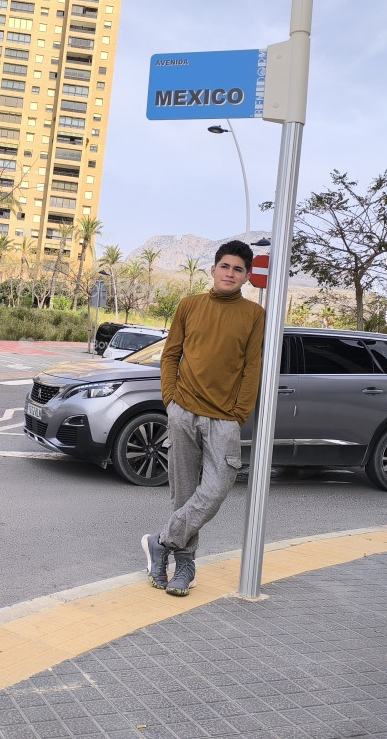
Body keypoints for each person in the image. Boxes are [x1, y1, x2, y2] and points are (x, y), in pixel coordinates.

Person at [142, 239, 265, 597]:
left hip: (224, 420)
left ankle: (160, 542)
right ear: (213, 270)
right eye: (225, 266)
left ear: (246, 277)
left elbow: (252, 368)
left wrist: (238, 415)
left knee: (216, 488)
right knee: (183, 495)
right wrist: (170, 401)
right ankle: (184, 567)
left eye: (238, 269)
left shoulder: (254, 315)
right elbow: (170, 355)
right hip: (183, 412)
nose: (230, 273)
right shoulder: (189, 305)